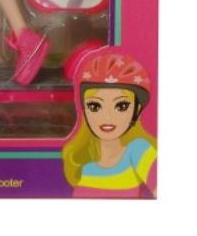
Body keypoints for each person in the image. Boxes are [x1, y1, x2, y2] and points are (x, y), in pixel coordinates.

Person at [61, 52, 157, 197]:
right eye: (95, 106)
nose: (107, 116)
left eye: (121, 106)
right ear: (85, 110)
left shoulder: (138, 150)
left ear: (136, 110)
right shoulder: (87, 168)